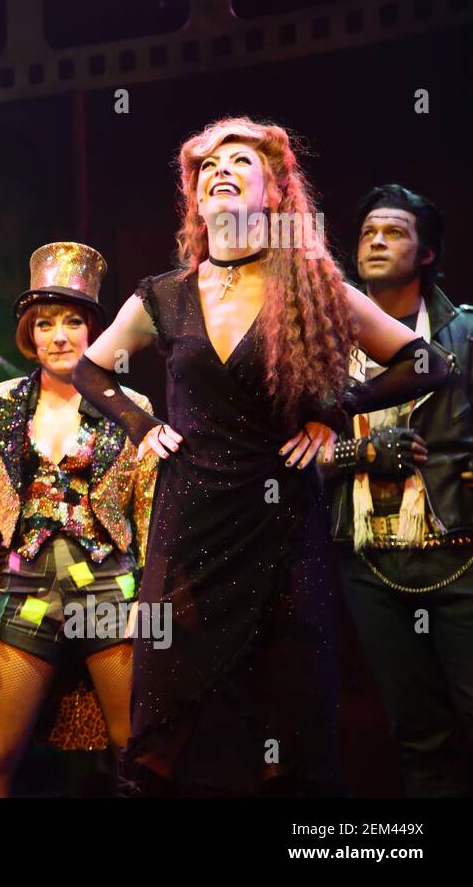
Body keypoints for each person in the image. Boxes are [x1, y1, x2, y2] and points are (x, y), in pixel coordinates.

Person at [72, 117, 449, 795]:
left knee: (289, 725)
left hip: (281, 527)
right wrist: (136, 422)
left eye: (241, 160)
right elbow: (91, 372)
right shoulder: (165, 294)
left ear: (273, 190)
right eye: (208, 163)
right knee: (164, 727)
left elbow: (428, 362)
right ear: (195, 195)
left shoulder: (307, 287)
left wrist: (336, 410)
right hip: (188, 529)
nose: (222, 168)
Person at [0, 242, 157, 797]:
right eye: (45, 324)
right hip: (27, 590)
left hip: (111, 593)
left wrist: (151, 598)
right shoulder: (1, 402)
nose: (59, 336)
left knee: (136, 756)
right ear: (29, 333)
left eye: (72, 321)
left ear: (95, 331)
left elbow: (152, 513)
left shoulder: (130, 406)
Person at [320, 184, 473, 796]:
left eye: (395, 233)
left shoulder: (463, 335)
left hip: (460, 551)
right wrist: (359, 453)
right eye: (367, 233)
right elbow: (280, 458)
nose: (377, 242)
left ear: (428, 253)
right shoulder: (322, 344)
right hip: (369, 563)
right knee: (416, 735)